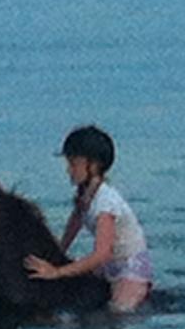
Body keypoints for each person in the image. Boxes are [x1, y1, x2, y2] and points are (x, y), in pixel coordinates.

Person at [24, 125, 153, 312]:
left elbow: (102, 254)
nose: (69, 170)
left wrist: (57, 272)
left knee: (118, 313)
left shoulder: (105, 202)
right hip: (109, 266)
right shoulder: (85, 194)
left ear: (93, 165)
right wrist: (57, 253)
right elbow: (75, 221)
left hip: (128, 269)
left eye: (73, 164)